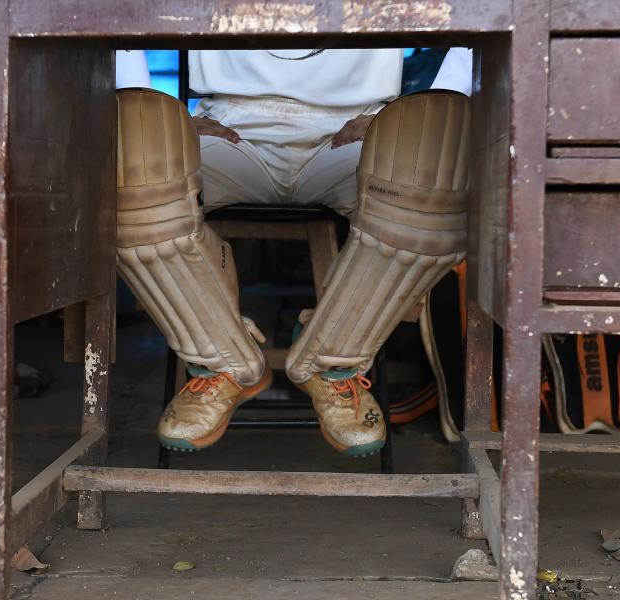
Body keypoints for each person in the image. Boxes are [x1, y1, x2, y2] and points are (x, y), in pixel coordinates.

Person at [115, 48, 471, 456]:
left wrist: (418, 120)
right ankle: (222, 359)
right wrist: (154, 115)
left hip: (359, 125)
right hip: (229, 124)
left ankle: (332, 360)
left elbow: (490, 14)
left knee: (430, 202)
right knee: (127, 199)